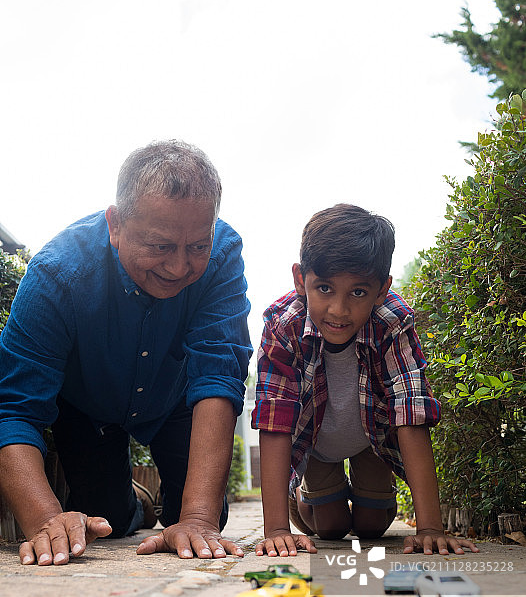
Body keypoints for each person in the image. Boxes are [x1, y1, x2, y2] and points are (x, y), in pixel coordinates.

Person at [0, 140, 252, 565]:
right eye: (160, 246)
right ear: (115, 225)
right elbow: (15, 410)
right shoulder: (56, 275)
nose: (179, 267)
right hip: (87, 407)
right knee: (109, 518)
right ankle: (137, 501)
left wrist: (197, 518)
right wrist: (45, 519)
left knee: (202, 522)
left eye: (197, 246)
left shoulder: (224, 253)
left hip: (176, 399)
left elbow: (219, 373)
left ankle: (174, 508)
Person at [251, 204, 479, 557]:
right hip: (316, 442)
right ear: (300, 280)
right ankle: (304, 496)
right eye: (324, 288)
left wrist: (430, 528)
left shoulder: (392, 322)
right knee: (332, 527)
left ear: (382, 289)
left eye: (358, 293)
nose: (339, 310)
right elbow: (275, 418)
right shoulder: (284, 325)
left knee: (373, 527)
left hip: (370, 441)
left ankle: (367, 489)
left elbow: (410, 410)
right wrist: (276, 529)